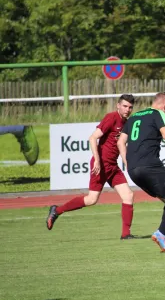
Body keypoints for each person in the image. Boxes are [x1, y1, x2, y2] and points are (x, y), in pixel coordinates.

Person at [46, 94, 136, 239]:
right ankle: (57, 210)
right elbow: (93, 137)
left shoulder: (128, 123)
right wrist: (97, 161)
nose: (127, 109)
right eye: (125, 106)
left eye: (130, 107)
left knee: (129, 195)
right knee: (91, 199)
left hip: (112, 166)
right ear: (118, 106)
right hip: (100, 165)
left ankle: (126, 234)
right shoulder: (111, 117)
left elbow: (121, 144)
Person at [117, 92, 165, 253]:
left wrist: (128, 163)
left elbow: (120, 142)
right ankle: (160, 234)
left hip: (133, 170)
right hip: (150, 165)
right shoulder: (157, 113)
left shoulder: (134, 117)